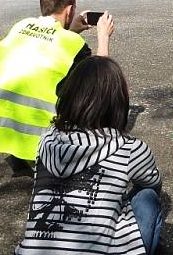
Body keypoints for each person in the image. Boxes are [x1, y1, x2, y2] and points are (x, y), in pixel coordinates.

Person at [16, 57, 162, 254]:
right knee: (147, 197)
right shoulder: (129, 148)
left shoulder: (47, 139)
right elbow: (152, 183)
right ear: (118, 102)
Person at [0, 0, 115, 175]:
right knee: (94, 99)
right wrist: (103, 37)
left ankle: (20, 157)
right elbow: (101, 80)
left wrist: (71, 29)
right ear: (69, 10)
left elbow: (45, 46)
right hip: (37, 136)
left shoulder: (21, 26)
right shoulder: (73, 44)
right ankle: (54, 160)